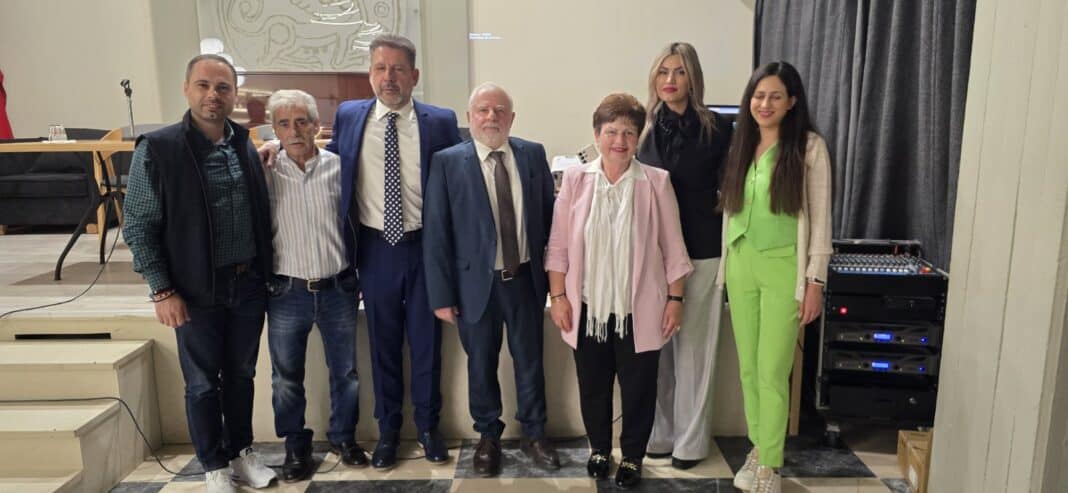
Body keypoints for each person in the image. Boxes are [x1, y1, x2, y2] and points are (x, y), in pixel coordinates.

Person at [123, 54, 276, 493]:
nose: (213, 95)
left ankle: (241, 452)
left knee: (242, 375)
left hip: (246, 284)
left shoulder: (243, 144)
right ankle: (214, 465)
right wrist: (162, 289)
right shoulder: (159, 149)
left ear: (234, 95)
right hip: (193, 289)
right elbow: (138, 225)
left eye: (223, 87)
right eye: (204, 85)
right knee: (203, 383)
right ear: (187, 89)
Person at [316, 34, 459, 469]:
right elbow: (329, 164)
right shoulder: (350, 115)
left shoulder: (440, 121)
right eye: (380, 68)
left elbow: (458, 177)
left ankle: (429, 428)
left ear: (414, 75)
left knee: (427, 343)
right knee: (382, 345)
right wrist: (275, 149)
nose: (388, 77)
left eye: (397, 69)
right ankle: (389, 431)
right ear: (370, 74)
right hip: (375, 249)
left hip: (425, 249)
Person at [545, 93, 693, 490]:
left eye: (629, 132)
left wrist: (676, 299)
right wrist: (558, 297)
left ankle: (632, 456)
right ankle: (598, 448)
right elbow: (558, 246)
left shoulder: (656, 182)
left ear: (638, 136)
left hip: (639, 309)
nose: (620, 141)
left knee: (638, 389)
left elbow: (673, 248)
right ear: (596, 135)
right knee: (593, 385)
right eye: (611, 131)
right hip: (586, 307)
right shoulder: (575, 180)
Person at [423, 82, 560, 477]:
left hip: (525, 281)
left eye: (499, 110)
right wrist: (441, 295)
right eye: (483, 110)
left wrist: (556, 284)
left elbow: (550, 221)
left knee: (530, 362)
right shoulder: (447, 162)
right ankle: (488, 437)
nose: (491, 117)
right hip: (474, 287)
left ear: (512, 118)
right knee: (481, 364)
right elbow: (437, 233)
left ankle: (535, 433)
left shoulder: (532, 154)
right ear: (470, 117)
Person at [717, 61, 832, 493]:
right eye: (758, 95)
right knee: (748, 369)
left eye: (775, 96)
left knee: (772, 369)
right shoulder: (742, 143)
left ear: (792, 102)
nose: (764, 104)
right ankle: (759, 447)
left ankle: (771, 464)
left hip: (785, 267)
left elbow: (821, 222)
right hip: (741, 262)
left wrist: (815, 282)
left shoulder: (809, 147)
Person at [637, 41, 733, 470]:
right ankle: (659, 435)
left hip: (702, 251)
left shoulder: (719, 129)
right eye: (663, 72)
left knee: (694, 353)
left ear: (693, 78)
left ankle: (690, 444)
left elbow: (731, 192)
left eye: (679, 72)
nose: (670, 80)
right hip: (651, 256)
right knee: (655, 352)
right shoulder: (641, 128)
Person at [262, 89, 366, 481]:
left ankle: (344, 437)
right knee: (286, 378)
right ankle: (295, 446)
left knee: (346, 373)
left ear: (317, 125)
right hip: (287, 291)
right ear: (274, 130)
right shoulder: (265, 170)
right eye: (284, 124)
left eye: (301, 121)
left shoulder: (341, 168)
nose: (294, 131)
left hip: (338, 287)